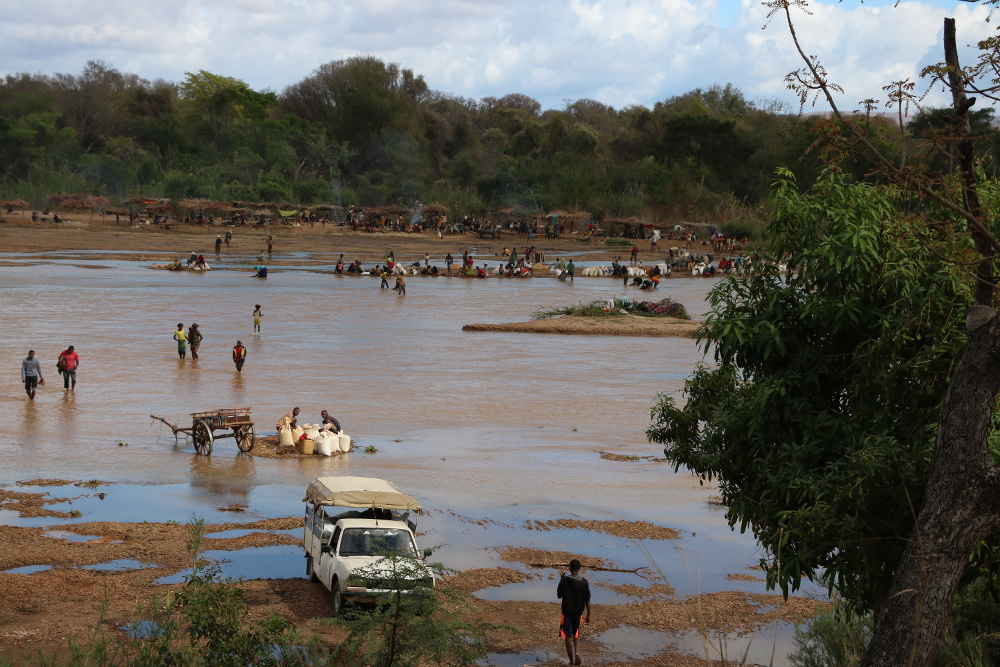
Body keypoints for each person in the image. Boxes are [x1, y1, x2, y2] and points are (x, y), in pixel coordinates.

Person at [557, 559, 591, 666]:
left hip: (567, 612)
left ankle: (571, 661)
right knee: (576, 632)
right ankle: (577, 652)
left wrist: (561, 580)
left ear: (570, 568)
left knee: (567, 635)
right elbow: (587, 599)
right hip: (578, 612)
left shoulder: (565, 581)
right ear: (579, 568)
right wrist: (588, 614)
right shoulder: (584, 582)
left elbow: (559, 595)